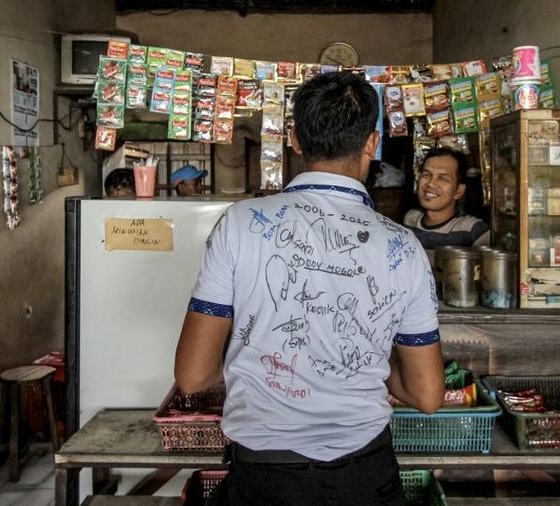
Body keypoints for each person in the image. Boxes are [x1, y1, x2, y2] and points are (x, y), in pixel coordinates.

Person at [174, 71, 444, 506]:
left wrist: (256, 358)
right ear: (372, 145)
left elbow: (192, 376)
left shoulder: (239, 224)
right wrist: (367, 356)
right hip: (366, 479)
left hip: (263, 479)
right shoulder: (403, 246)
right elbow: (427, 395)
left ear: (295, 139)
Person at [403, 147, 489, 251]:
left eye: (443, 178)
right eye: (426, 175)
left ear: (459, 191)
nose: (430, 183)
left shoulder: (473, 231)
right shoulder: (411, 219)